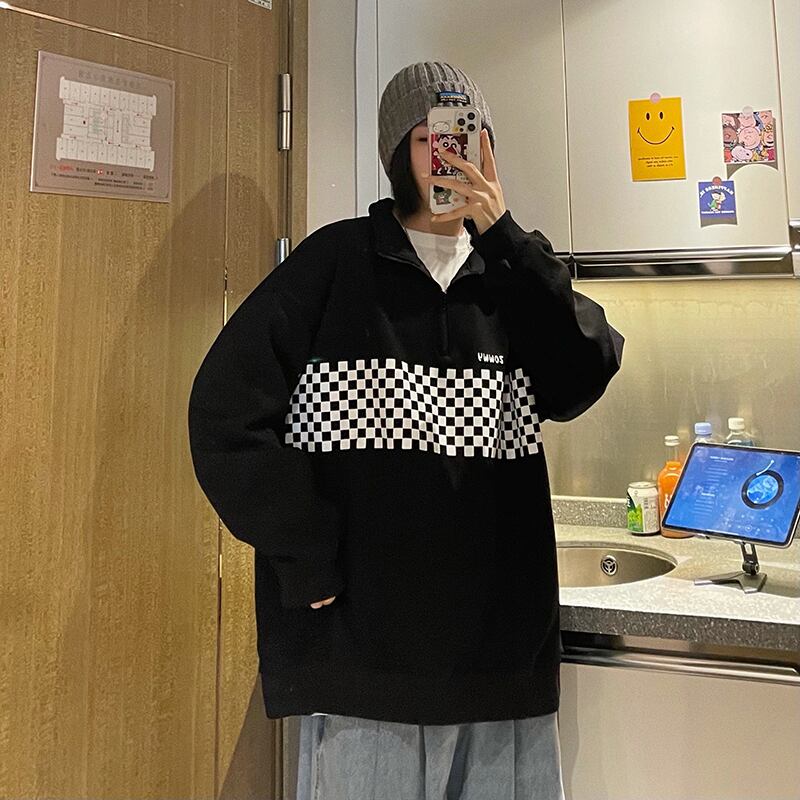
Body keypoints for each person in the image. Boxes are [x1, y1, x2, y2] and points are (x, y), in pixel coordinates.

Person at [188, 61, 624, 799]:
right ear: (397, 154)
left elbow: (581, 377)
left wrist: (506, 238)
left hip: (498, 655)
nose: (448, 155)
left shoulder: (514, 272)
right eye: (428, 138)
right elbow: (225, 413)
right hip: (361, 656)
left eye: (465, 136)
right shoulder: (334, 264)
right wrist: (304, 552)